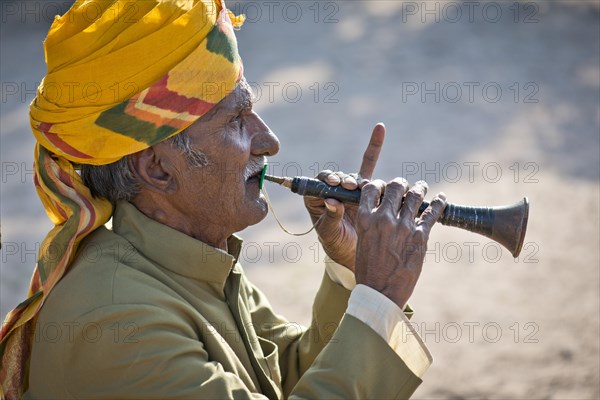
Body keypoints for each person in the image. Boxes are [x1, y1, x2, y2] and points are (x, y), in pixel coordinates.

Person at [0, 0, 446, 398]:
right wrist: (379, 295)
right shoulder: (118, 323)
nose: (269, 141)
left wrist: (352, 268)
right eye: (236, 120)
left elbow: (283, 378)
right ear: (156, 168)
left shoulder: (188, 258)